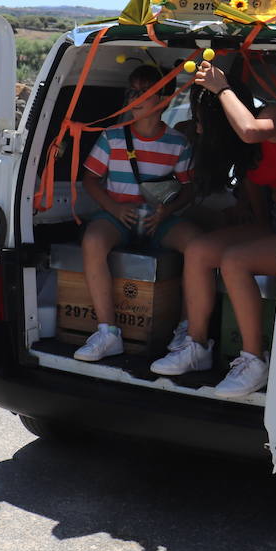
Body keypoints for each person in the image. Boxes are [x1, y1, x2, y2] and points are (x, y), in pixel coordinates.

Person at [150, 57, 276, 398]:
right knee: (200, 251)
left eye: (201, 121)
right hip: (274, 219)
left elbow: (248, 131)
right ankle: (196, 345)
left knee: (235, 261)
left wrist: (222, 87)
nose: (198, 129)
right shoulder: (242, 154)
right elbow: (259, 207)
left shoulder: (273, 114)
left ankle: (254, 360)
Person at [73, 64, 200, 362]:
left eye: (146, 92)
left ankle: (187, 331)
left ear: (165, 100)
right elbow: (90, 179)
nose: (136, 97)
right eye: (133, 91)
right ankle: (108, 333)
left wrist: (166, 211)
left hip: (159, 221)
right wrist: (114, 208)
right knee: (93, 241)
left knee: (197, 245)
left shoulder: (178, 143)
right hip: (117, 218)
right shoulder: (112, 136)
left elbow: (189, 188)